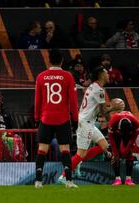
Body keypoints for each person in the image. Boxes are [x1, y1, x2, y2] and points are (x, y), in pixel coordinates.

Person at [58, 66, 122, 184]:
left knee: (103, 145)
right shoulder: (98, 90)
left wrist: (110, 108)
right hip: (85, 124)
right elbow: (103, 111)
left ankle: (78, 161)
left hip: (89, 122)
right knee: (80, 153)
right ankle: (63, 176)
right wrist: (113, 110)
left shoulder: (93, 86)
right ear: (101, 75)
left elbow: (99, 108)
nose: (108, 75)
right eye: (106, 73)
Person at [34, 49, 78, 188]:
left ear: (49, 61)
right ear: (62, 61)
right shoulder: (68, 76)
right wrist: (75, 119)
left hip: (46, 118)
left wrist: (36, 117)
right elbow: (73, 101)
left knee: (42, 149)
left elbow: (38, 100)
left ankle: (38, 181)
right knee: (65, 149)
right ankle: (69, 181)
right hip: (63, 118)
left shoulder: (41, 76)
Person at [108, 111, 139, 186]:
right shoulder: (113, 121)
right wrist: (115, 153)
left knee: (128, 154)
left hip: (130, 135)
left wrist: (127, 150)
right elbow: (111, 138)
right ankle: (117, 179)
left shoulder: (136, 123)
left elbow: (133, 138)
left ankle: (128, 179)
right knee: (115, 155)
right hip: (116, 135)